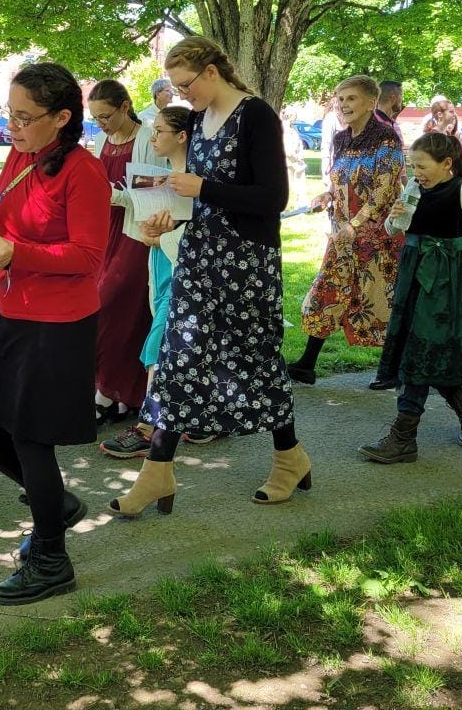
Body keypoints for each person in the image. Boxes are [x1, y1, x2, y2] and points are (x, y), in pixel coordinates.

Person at [109, 37, 311, 518]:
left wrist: (204, 188)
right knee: (180, 360)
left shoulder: (257, 116)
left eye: (186, 85)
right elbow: (199, 200)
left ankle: (289, 457)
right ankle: (157, 470)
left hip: (246, 263)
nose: (182, 96)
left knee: (252, 360)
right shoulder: (198, 122)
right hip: (201, 256)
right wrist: (172, 215)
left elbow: (272, 198)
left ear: (212, 72)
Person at [0, 63, 110, 605]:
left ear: (62, 118)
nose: (13, 126)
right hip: (14, 310)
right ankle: (57, 506)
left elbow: (90, 256)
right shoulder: (23, 157)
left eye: (25, 117)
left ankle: (52, 557)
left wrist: (15, 252)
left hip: (59, 324)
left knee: (30, 438)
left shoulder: (83, 172)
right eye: (10, 114)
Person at [359, 133, 462, 462]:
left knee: (419, 351)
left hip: (445, 281)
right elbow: (392, 230)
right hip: (414, 274)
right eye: (413, 166)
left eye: (422, 166)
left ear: (447, 164)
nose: (417, 172)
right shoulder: (414, 188)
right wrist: (395, 215)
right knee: (428, 350)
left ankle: (403, 438)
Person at [99, 106, 206, 458]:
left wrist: (161, 239)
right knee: (177, 341)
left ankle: (149, 425)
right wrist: (150, 233)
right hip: (161, 265)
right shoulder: (166, 174)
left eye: (160, 131)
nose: (153, 136)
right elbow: (152, 226)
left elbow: (201, 232)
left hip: (184, 268)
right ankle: (202, 416)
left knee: (160, 340)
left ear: (182, 136)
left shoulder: (196, 178)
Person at [287, 75, 405, 387]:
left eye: (351, 99)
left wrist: (355, 224)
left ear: (370, 103)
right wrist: (326, 195)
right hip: (343, 237)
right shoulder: (341, 138)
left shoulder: (387, 139)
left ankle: (392, 370)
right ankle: (307, 365)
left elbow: (383, 191)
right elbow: (340, 180)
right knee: (328, 291)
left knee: (381, 301)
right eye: (340, 99)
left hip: (379, 238)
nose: (343, 105)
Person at [89, 79, 164, 424]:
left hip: (136, 232)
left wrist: (116, 196)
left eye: (106, 116)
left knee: (116, 304)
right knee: (105, 309)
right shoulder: (103, 139)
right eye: (96, 118)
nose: (101, 123)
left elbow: (159, 191)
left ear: (124, 106)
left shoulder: (149, 138)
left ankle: (109, 392)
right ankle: (120, 394)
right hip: (105, 231)